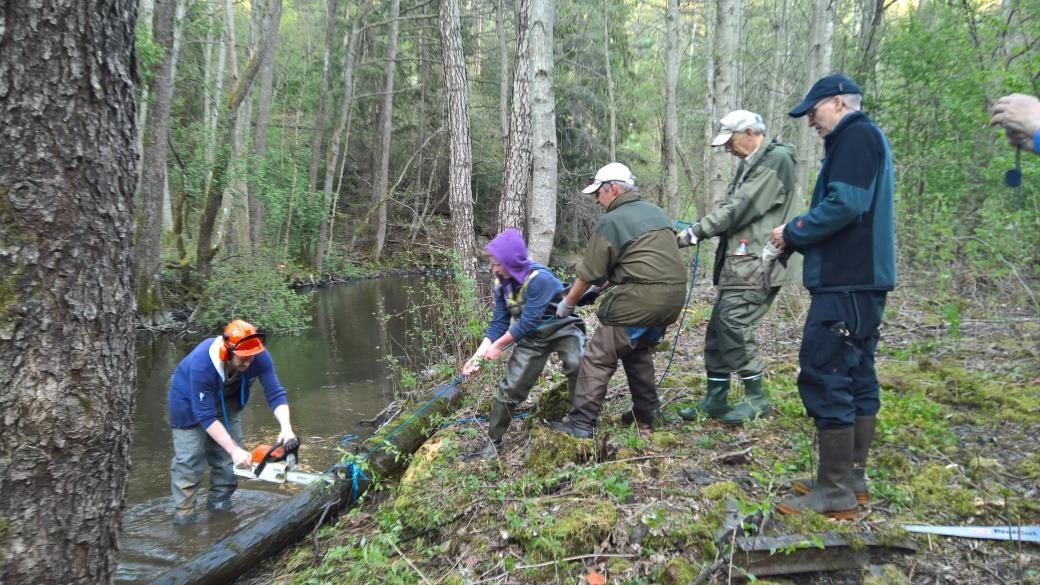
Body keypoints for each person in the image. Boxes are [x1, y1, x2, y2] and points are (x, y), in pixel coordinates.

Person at [771, 74, 895, 519]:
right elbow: (849, 204)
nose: (809, 122)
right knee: (856, 374)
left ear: (839, 103)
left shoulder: (856, 136)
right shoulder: (860, 138)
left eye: (813, 111)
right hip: (861, 282)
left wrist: (795, 230)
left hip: (847, 281)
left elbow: (847, 205)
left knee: (827, 371)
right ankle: (850, 480)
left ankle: (836, 488)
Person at [673, 110, 799, 425]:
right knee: (717, 331)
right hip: (739, 265)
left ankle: (757, 398)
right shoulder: (750, 164)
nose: (727, 149)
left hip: (760, 263)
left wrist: (693, 233)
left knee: (734, 325)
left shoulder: (776, 160)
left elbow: (739, 209)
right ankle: (716, 399)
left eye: (729, 142)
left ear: (748, 132)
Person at [549, 163, 688, 438]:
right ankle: (647, 412)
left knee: (599, 355)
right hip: (673, 299)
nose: (597, 201)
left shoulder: (611, 220)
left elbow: (588, 272)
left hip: (643, 298)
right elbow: (638, 263)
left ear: (612, 188)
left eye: (597, 194)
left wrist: (568, 303)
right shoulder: (656, 213)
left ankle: (580, 424)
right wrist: (597, 292)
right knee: (636, 350)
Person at [462, 229, 586, 457]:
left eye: (497, 264)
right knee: (511, 387)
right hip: (532, 339)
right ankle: (494, 443)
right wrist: (478, 356)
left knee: (578, 364)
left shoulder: (541, 279)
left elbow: (528, 321)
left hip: (562, 328)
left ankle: (580, 421)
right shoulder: (501, 284)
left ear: (511, 261)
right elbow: (499, 323)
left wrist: (498, 346)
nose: (494, 269)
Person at [166, 319, 297, 524]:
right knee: (189, 460)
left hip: (227, 401)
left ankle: (220, 510)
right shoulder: (203, 364)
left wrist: (286, 428)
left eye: (252, 357)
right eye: (242, 358)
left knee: (229, 463)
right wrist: (233, 449)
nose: (248, 362)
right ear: (226, 353)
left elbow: (275, 393)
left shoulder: (258, 356)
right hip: (188, 404)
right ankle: (184, 516)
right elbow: (205, 415)